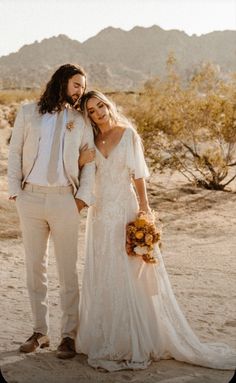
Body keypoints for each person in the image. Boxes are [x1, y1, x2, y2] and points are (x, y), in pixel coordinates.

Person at [75, 90, 236, 371]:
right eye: (91, 110)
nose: (98, 112)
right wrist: (80, 161)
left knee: (131, 270)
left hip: (125, 209)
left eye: (100, 105)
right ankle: (106, 336)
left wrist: (144, 210)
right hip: (100, 215)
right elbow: (83, 174)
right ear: (87, 115)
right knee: (105, 270)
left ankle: (134, 338)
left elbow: (138, 177)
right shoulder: (90, 140)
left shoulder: (128, 135)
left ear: (108, 105)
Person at [8, 64, 95, 359]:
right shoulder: (27, 113)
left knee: (68, 271)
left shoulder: (81, 120)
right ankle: (39, 331)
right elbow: (15, 153)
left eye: (83, 86)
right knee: (35, 269)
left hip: (64, 201)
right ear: (61, 82)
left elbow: (91, 161)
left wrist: (81, 200)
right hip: (30, 198)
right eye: (76, 84)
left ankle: (68, 336)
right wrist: (16, 193)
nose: (80, 90)